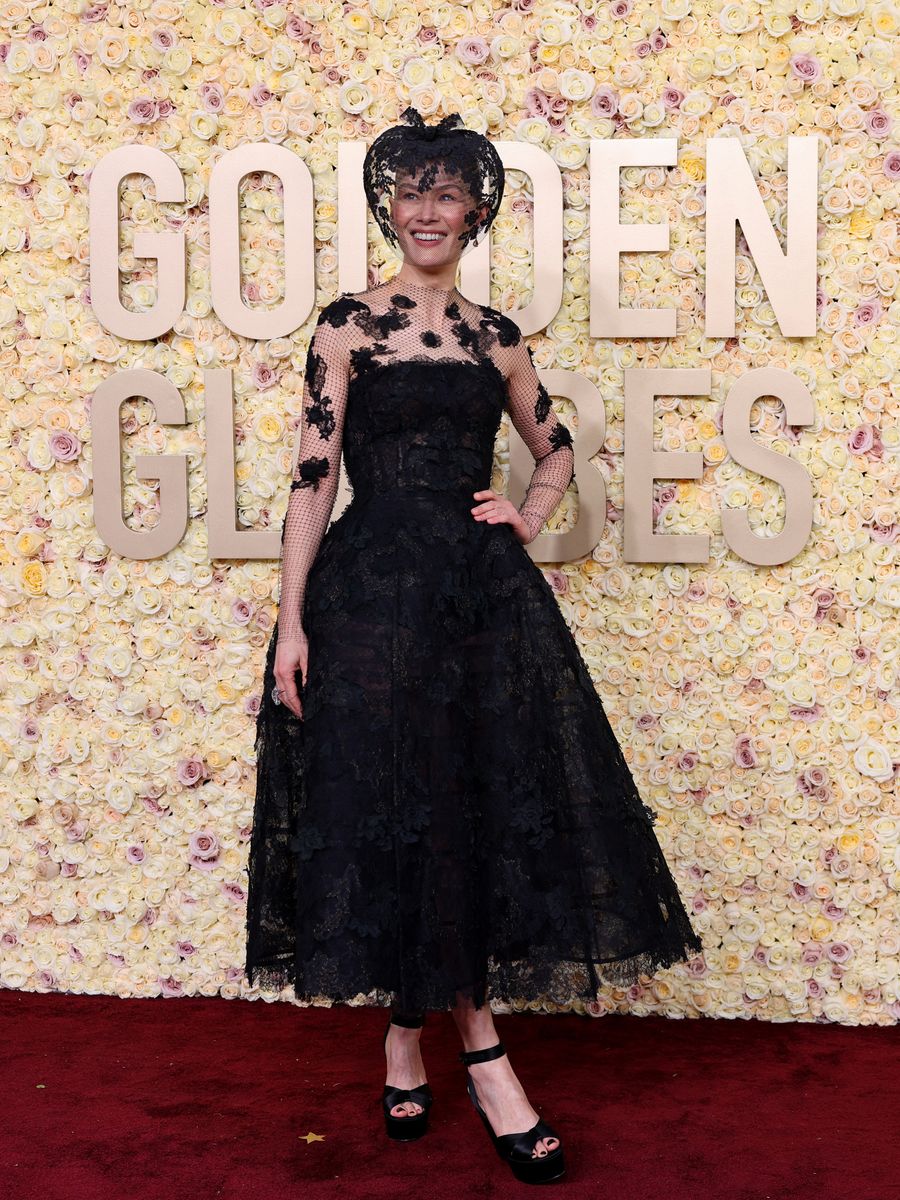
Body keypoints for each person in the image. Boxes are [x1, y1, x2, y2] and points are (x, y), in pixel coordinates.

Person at [244, 106, 704, 1185]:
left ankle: (421, 1032)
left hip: (479, 602)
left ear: (476, 212)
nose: (427, 211)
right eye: (411, 193)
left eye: (448, 194)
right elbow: (313, 477)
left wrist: (530, 514)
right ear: (390, 210)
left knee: (465, 804)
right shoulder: (346, 326)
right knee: (393, 805)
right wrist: (291, 623)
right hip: (368, 601)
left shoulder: (496, 337)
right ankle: (470, 1049)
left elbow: (557, 447)